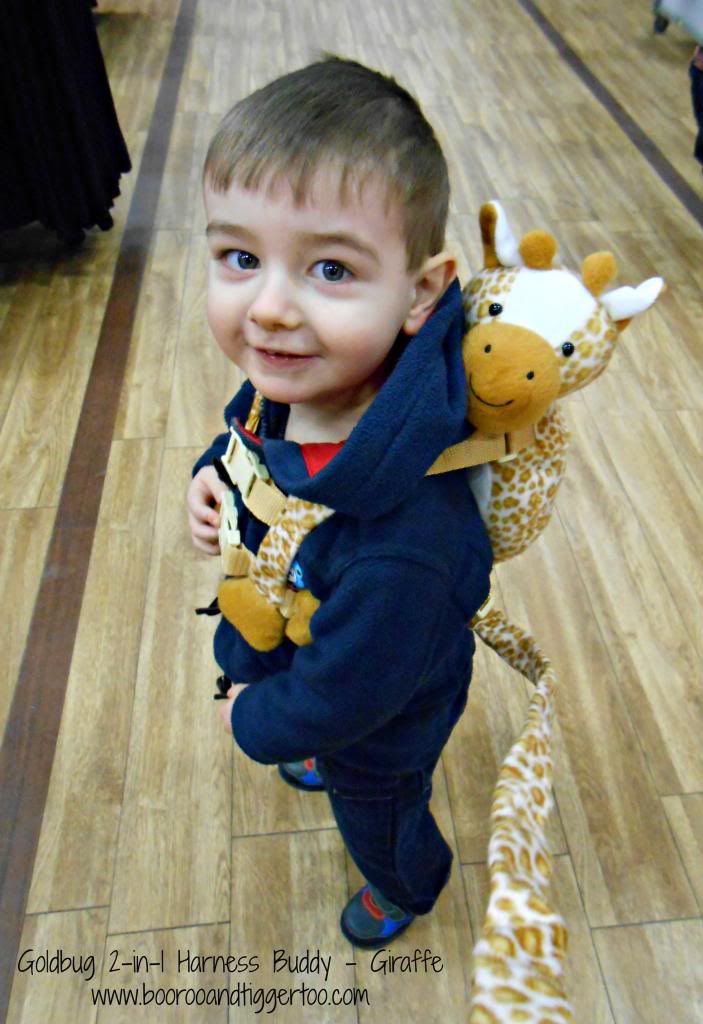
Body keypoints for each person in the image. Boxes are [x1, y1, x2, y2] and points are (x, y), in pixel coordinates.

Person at [187, 56, 493, 949]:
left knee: (376, 807)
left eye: (329, 268)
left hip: (380, 721)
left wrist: (254, 719)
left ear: (421, 292)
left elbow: (352, 692)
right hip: (311, 630)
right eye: (239, 257)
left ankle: (410, 880)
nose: (271, 309)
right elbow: (252, 441)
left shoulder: (407, 545)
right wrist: (213, 474)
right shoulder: (296, 379)